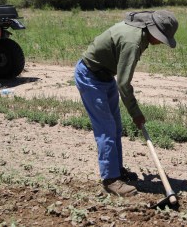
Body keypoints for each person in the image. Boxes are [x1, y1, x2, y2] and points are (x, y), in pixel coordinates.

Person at [74, 10, 178, 196]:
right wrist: (135, 112)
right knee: (106, 128)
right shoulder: (133, 41)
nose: (161, 42)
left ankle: (116, 171)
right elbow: (124, 83)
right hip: (90, 76)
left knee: (115, 127)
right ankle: (110, 180)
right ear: (153, 30)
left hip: (105, 76)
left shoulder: (142, 34)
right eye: (162, 37)